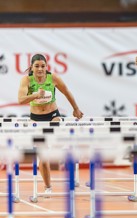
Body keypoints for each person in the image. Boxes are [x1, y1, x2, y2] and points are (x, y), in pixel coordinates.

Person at [18, 54, 83, 197]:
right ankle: (48, 186)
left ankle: (62, 149)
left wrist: (76, 109)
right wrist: (35, 95)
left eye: (43, 66)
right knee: (43, 157)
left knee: (54, 133)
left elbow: (67, 92)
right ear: (31, 67)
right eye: (37, 66)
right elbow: (21, 100)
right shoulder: (26, 80)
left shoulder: (53, 78)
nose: (40, 69)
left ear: (46, 66)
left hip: (53, 116)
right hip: (35, 118)